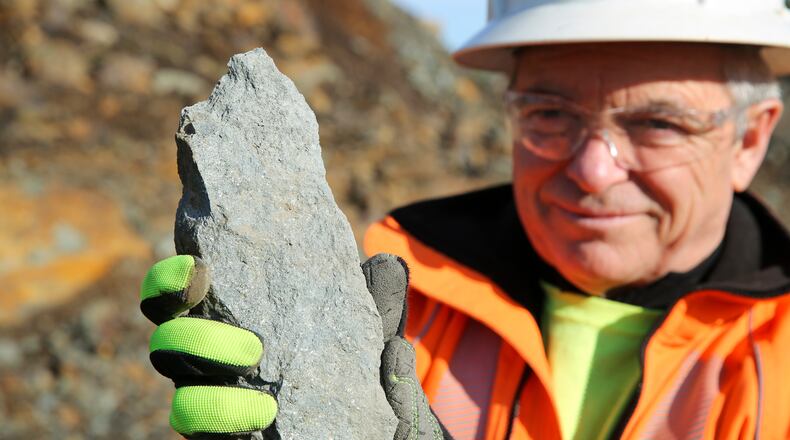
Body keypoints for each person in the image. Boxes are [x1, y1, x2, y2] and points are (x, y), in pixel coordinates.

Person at [138, 1, 790, 439]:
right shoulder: (397, 290)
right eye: (549, 115)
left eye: (658, 123)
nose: (593, 170)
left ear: (750, 140)